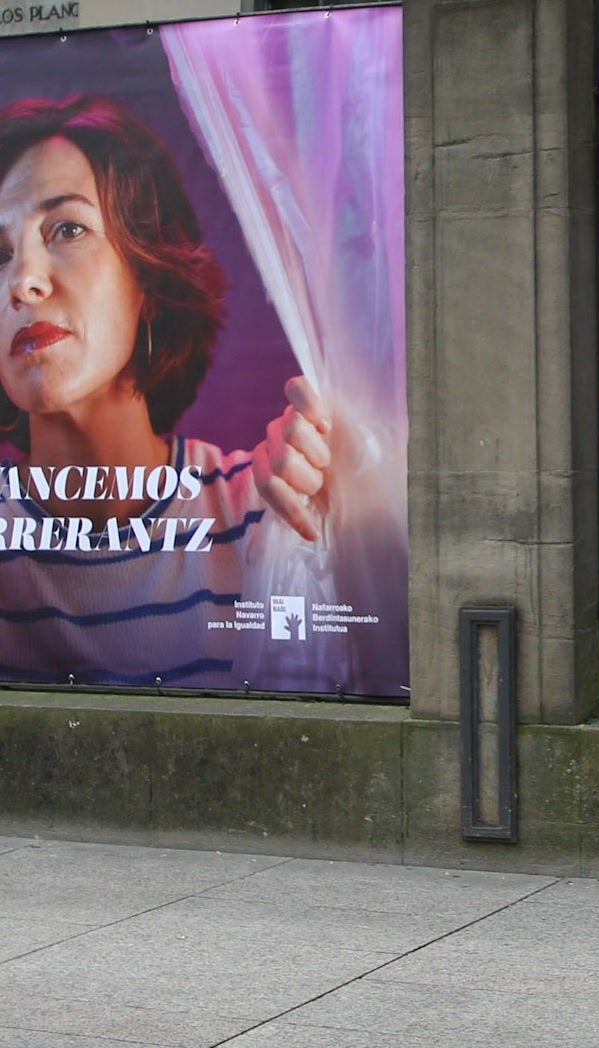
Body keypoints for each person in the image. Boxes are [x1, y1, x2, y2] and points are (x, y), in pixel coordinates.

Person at [0, 93, 331, 688]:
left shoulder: (263, 512)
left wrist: (345, 503)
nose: (23, 282)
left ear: (147, 273)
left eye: (68, 229)